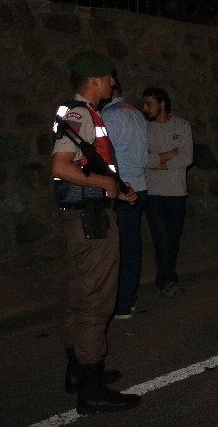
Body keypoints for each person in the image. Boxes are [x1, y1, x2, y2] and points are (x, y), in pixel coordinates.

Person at [51, 51, 141, 414]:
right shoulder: (82, 114)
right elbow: (61, 166)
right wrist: (107, 184)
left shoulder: (76, 113)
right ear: (93, 81)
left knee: (77, 296)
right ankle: (91, 391)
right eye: (108, 78)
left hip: (79, 217)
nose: (113, 83)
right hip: (92, 223)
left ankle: (79, 370)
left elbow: (85, 162)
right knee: (95, 304)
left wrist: (117, 186)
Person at [101, 72, 149, 320]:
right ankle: (127, 300)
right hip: (140, 185)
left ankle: (120, 303)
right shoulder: (137, 114)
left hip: (123, 188)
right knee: (132, 245)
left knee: (119, 248)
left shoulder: (109, 116)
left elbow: (107, 157)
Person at [141, 86, 194, 298]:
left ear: (162, 104)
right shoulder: (144, 129)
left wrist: (159, 162)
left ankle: (163, 279)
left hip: (176, 192)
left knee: (172, 238)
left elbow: (186, 157)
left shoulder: (181, 125)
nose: (145, 108)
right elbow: (143, 159)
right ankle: (168, 280)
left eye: (149, 103)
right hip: (153, 193)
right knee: (161, 239)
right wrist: (168, 155)